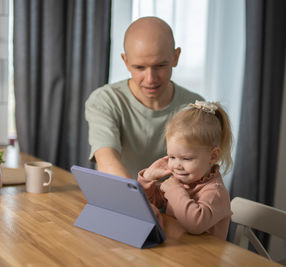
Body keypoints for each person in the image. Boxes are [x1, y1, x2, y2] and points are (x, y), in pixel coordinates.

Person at [85, 16, 204, 178]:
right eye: (139, 67)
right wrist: (137, 200)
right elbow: (106, 160)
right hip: (123, 198)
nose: (150, 79)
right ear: (125, 61)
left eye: (160, 66)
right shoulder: (105, 101)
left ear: (175, 57)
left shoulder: (194, 107)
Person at [138, 101, 233, 239]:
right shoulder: (181, 182)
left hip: (203, 258)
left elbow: (195, 223)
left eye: (186, 159)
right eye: (172, 157)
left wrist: (174, 190)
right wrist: (147, 178)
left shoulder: (216, 193)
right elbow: (146, 203)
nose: (177, 165)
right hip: (177, 251)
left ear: (213, 156)